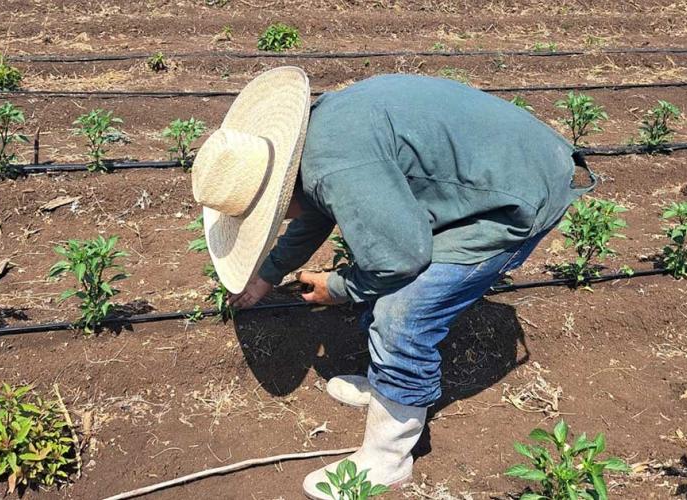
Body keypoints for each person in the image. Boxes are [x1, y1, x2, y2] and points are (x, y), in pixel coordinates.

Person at [190, 67, 594, 498]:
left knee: (402, 310)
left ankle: (389, 457)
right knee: (380, 263)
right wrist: (267, 277)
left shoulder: (337, 167)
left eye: (268, 215)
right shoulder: (319, 136)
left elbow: (399, 259)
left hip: (519, 195)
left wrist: (338, 288)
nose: (277, 220)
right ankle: (388, 384)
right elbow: (317, 209)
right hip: (502, 162)